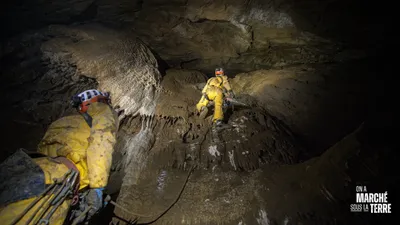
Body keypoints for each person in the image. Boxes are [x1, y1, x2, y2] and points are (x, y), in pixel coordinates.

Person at [0, 89, 119, 225]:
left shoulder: (63, 122)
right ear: (98, 102)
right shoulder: (102, 113)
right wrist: (98, 187)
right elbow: (102, 143)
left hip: (29, 167)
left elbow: (44, 148)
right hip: (60, 181)